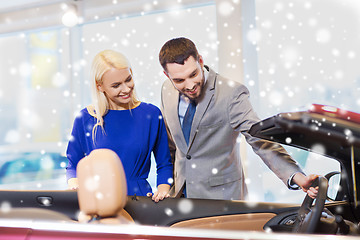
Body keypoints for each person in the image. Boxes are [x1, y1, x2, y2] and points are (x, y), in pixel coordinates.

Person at [159, 37, 318, 200]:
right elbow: (173, 144)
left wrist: (296, 176)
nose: (190, 85)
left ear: (200, 61)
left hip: (222, 198)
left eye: (193, 74)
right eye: (179, 80)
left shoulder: (231, 94)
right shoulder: (167, 90)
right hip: (180, 196)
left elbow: (260, 141)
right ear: (167, 75)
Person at [66, 49, 173, 202]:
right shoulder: (85, 118)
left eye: (128, 79)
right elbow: (72, 164)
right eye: (116, 85)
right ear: (99, 86)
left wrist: (162, 191)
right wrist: (75, 186)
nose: (126, 89)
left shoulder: (151, 114)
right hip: (99, 202)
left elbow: (164, 164)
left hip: (140, 202)